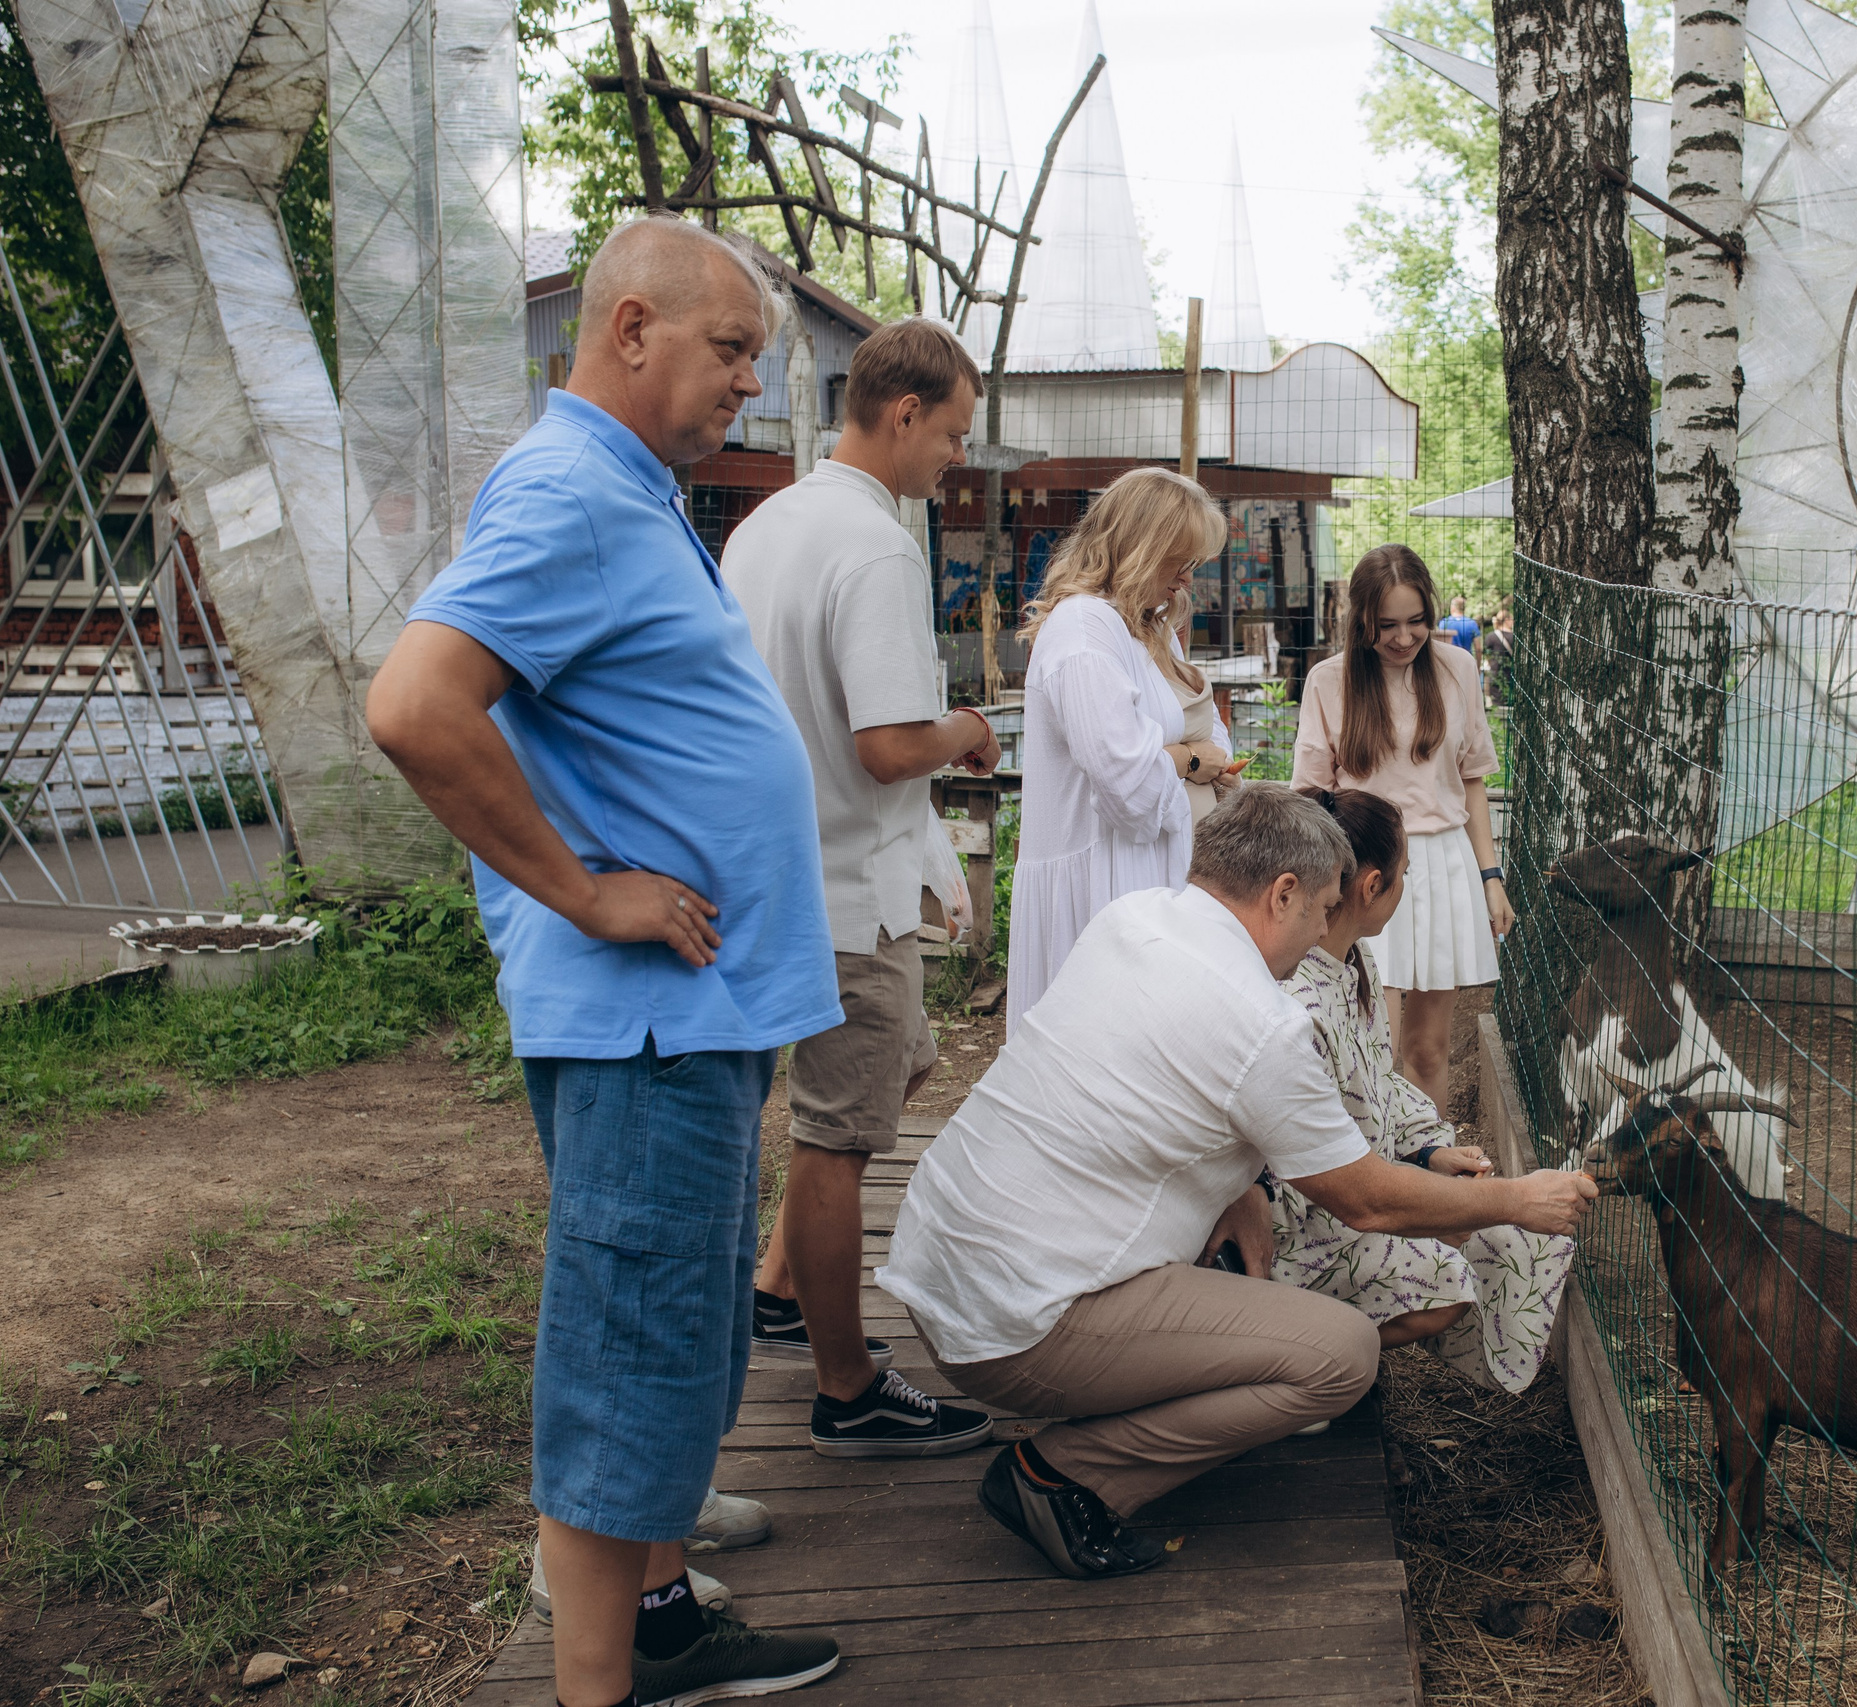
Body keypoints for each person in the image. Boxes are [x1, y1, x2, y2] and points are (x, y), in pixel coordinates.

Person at [367, 215, 842, 1707]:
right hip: (643, 1016)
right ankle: (599, 1687)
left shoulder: (625, 489)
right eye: (731, 350)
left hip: (686, 1017)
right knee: (626, 1355)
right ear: (629, 328)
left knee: (675, 1326)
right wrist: (585, 892)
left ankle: (663, 1615)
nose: (748, 386)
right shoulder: (575, 492)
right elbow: (415, 703)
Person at [877, 785, 1596, 1581]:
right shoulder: (1263, 1021)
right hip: (1020, 1328)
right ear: (1282, 892)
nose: (1326, 929)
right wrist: (1518, 1200)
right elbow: (1368, 1198)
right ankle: (1063, 1473)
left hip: (939, 1273)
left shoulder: (1134, 918)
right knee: (1341, 1355)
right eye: (1322, 908)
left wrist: (1240, 1186)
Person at [719, 317, 1000, 1459]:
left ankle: (781, 1291)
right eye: (952, 434)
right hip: (844, 885)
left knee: (903, 1061)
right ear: (902, 414)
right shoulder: (880, 545)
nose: (955, 459)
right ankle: (847, 1386)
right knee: (838, 1140)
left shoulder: (767, 526)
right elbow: (888, 744)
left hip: (781, 868)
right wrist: (972, 728)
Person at [1275, 786, 1573, 1392]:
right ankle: (1301, 1356)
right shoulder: (1300, 1006)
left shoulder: (1355, 962)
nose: (1408, 886)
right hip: (1311, 1224)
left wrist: (1430, 1153)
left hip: (1359, 1187)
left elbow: (1380, 1085)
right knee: (1450, 1276)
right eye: (1405, 873)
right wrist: (1429, 1206)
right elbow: (1342, 1181)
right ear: (1371, 886)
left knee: (1496, 1241)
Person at [1292, 544, 1511, 1114]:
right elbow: (1310, 796)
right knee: (1371, 1047)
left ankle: (1424, 1183)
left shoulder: (1457, 668)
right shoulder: (1328, 680)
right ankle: (1369, 1184)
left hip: (1441, 863)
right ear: (1361, 620)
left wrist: (1491, 877)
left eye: (1417, 622)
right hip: (1361, 868)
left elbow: (1472, 783)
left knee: (1429, 1049)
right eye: (1386, 625)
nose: (1403, 637)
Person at [1007, 467, 1228, 1022]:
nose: (1184, 578)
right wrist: (1188, 760)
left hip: (1137, 872)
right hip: (1100, 881)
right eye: (1177, 560)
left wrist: (1181, 759)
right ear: (1139, 546)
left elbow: (1208, 737)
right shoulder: (1084, 625)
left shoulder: (1142, 626)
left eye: (1192, 564)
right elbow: (1127, 784)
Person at [1165, 587, 1239, 822]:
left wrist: (1221, 759)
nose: (1186, 579)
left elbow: (1208, 718)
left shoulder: (1163, 632)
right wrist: (1193, 759)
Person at [1482, 604, 1516, 707]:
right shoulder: (1515, 638)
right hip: (1512, 676)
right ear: (1506, 620)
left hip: (1495, 676)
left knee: (1497, 708)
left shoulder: (1490, 637)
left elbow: (1486, 654)